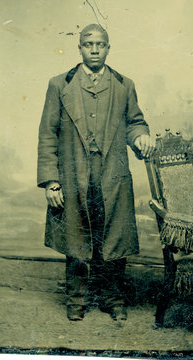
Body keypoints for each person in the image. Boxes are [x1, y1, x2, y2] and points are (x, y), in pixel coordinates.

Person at [37, 23, 154, 322]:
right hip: (73, 175)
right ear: (79, 47)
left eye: (100, 44)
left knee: (113, 239)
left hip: (112, 175)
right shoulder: (59, 84)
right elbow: (48, 134)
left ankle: (113, 299)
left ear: (108, 48)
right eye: (88, 44)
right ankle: (76, 299)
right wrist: (51, 181)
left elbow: (135, 122)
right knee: (76, 239)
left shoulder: (123, 85)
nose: (94, 49)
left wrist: (141, 136)